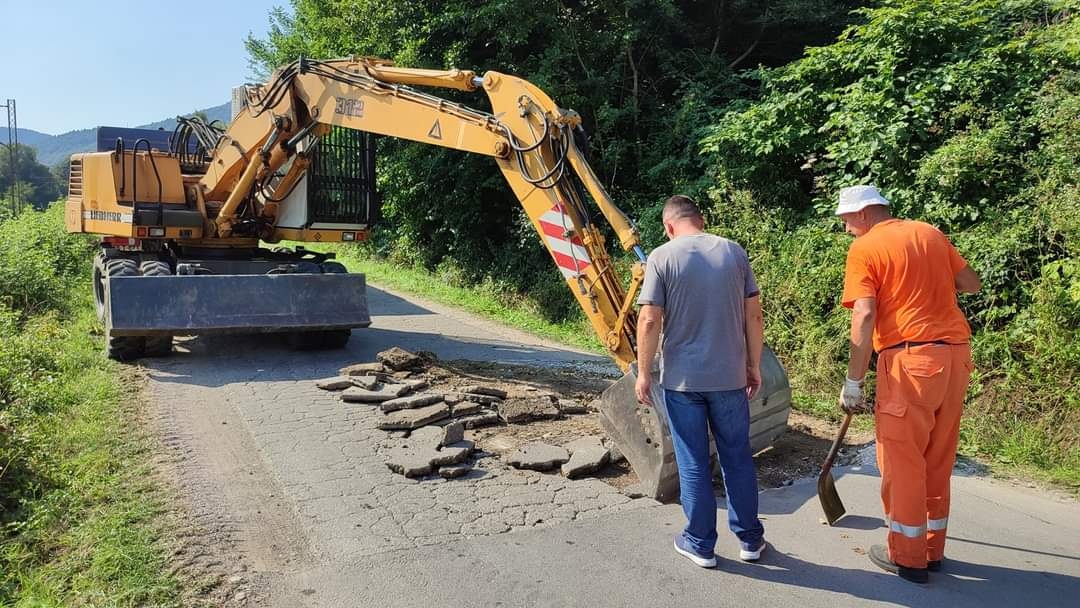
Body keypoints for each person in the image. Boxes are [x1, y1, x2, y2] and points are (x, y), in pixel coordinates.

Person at [835, 185, 981, 584]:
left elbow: (864, 315)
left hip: (911, 362)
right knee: (937, 457)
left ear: (864, 214)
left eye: (846, 220)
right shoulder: (930, 233)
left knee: (903, 461)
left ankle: (909, 556)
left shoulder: (865, 248)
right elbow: (971, 283)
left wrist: (854, 380)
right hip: (955, 357)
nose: (846, 228)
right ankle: (932, 549)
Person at [634, 194, 766, 569]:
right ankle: (751, 540)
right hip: (729, 378)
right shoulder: (734, 252)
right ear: (701, 219)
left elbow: (648, 320)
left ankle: (700, 543)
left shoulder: (661, 256)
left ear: (668, 226)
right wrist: (753, 365)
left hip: (683, 382)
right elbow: (753, 316)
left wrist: (644, 373)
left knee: (692, 461)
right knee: (737, 457)